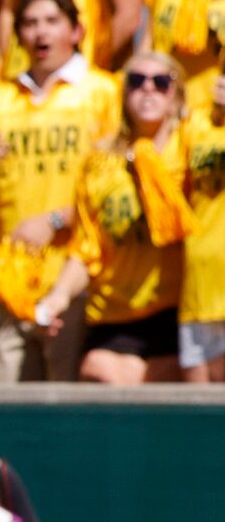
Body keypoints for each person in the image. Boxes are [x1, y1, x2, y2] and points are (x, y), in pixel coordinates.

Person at [0, 0, 122, 385]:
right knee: (8, 420)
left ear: (76, 30)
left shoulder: (101, 91)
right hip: (8, 280)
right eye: (31, 23)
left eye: (52, 21)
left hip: (73, 276)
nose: (41, 32)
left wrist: (54, 220)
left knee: (66, 414)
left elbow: (114, 190)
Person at [33, 52, 188, 384]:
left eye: (161, 83)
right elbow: (88, 247)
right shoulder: (101, 162)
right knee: (98, 373)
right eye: (136, 81)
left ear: (177, 95)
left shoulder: (190, 150)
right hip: (113, 312)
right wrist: (59, 294)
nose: (148, 89)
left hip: (174, 310)